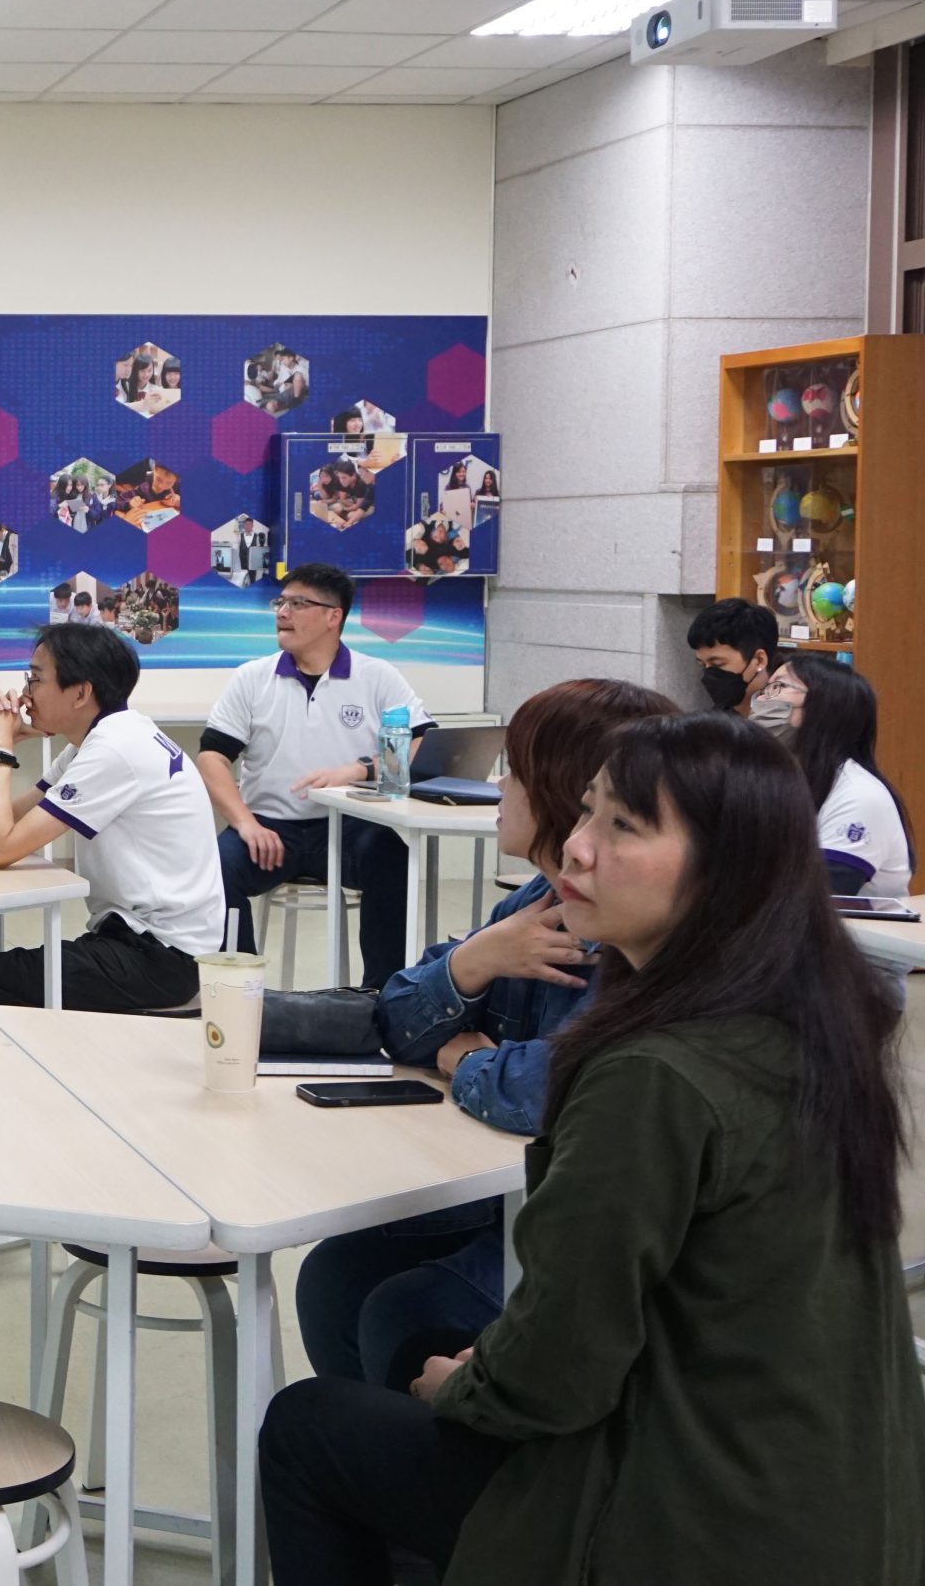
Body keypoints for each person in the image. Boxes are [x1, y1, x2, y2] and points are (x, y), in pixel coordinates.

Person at [260, 711, 925, 1585]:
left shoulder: (653, 1071)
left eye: (623, 826)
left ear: (725, 870)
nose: (577, 846)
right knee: (379, 1305)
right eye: (585, 812)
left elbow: (557, 1374)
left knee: (308, 1426)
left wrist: (459, 1385)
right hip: (831, 1493)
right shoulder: (811, 1022)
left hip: (691, 1515)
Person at [294, 678, 677, 1394]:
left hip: (580, 1221)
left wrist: (465, 1058)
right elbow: (396, 1019)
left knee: (404, 1312)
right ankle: (382, 1447)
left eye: (516, 773)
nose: (499, 787)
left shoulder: (632, 942)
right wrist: (475, 960)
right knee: (333, 1276)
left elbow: (547, 1092)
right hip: (505, 1192)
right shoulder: (535, 902)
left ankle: (435, 1450)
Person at [0, 623, 225, 1013]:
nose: (25, 694)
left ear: (80, 693)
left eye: (35, 679)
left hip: (160, 958)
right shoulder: (99, 741)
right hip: (140, 942)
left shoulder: (114, 750)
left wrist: (2, 746)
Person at [196, 564, 431, 989]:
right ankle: (240, 993)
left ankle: (382, 995)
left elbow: (419, 742)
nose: (282, 612)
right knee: (214, 869)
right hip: (268, 828)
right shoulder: (252, 678)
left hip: (351, 825)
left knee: (391, 856)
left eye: (298, 603)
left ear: (333, 616)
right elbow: (212, 757)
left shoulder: (376, 676)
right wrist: (245, 824)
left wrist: (361, 769)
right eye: (281, 602)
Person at [753, 654, 914, 898]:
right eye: (766, 688)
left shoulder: (859, 794)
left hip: (847, 922)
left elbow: (819, 897)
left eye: (779, 686)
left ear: (825, 707)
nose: (763, 699)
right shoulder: (781, 781)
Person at [685, 596, 776, 715]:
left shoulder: (787, 719)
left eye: (718, 664)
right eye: (702, 665)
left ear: (759, 660)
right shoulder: (713, 721)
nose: (709, 675)